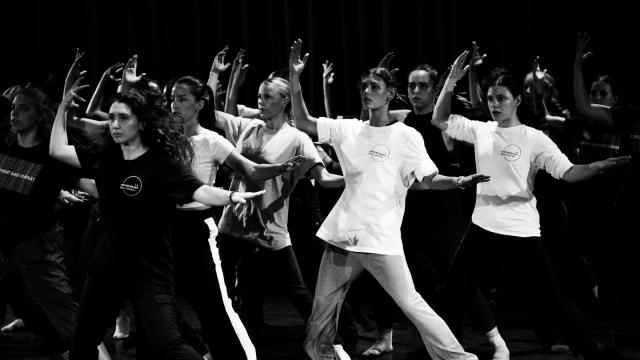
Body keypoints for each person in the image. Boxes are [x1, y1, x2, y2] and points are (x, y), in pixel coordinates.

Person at [49, 56, 265, 359]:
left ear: (141, 122)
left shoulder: (160, 164)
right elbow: (57, 149)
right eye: (111, 118)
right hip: (107, 268)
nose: (114, 124)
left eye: (123, 118)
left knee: (169, 344)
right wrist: (63, 105)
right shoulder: (107, 159)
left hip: (148, 270)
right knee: (82, 342)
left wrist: (230, 197)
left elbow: (200, 190)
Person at [289, 39, 486, 360]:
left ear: (389, 93)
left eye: (374, 85)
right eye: (364, 85)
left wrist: (459, 181)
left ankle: (459, 357)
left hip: (381, 241)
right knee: (320, 315)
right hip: (342, 238)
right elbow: (303, 122)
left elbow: (427, 180)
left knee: (412, 303)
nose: (367, 90)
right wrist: (295, 79)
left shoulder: (406, 135)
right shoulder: (348, 129)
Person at [433, 50, 630, 360]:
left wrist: (600, 165)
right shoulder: (481, 129)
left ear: (517, 101)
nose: (494, 104)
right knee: (455, 290)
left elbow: (569, 173)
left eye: (501, 98)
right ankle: (444, 351)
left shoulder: (534, 138)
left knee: (552, 297)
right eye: (490, 98)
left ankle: (590, 352)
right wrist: (451, 82)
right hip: (483, 226)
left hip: (522, 229)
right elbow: (439, 119)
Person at [167, 53, 312, 358]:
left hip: (269, 224)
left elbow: (318, 174)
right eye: (258, 96)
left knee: (295, 290)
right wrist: (218, 76)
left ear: (284, 100)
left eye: (267, 96)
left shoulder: (296, 137)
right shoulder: (249, 128)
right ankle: (228, 345)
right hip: (233, 221)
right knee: (234, 292)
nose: (260, 101)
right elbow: (212, 111)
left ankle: (331, 338)